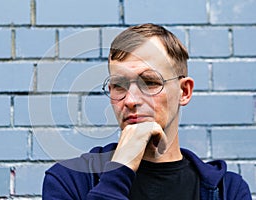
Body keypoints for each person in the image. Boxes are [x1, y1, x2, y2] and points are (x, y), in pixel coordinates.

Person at [42, 23, 251, 199]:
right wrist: (119, 169)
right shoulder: (70, 180)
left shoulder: (227, 191)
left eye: (150, 82)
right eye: (119, 85)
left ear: (184, 92)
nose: (131, 100)